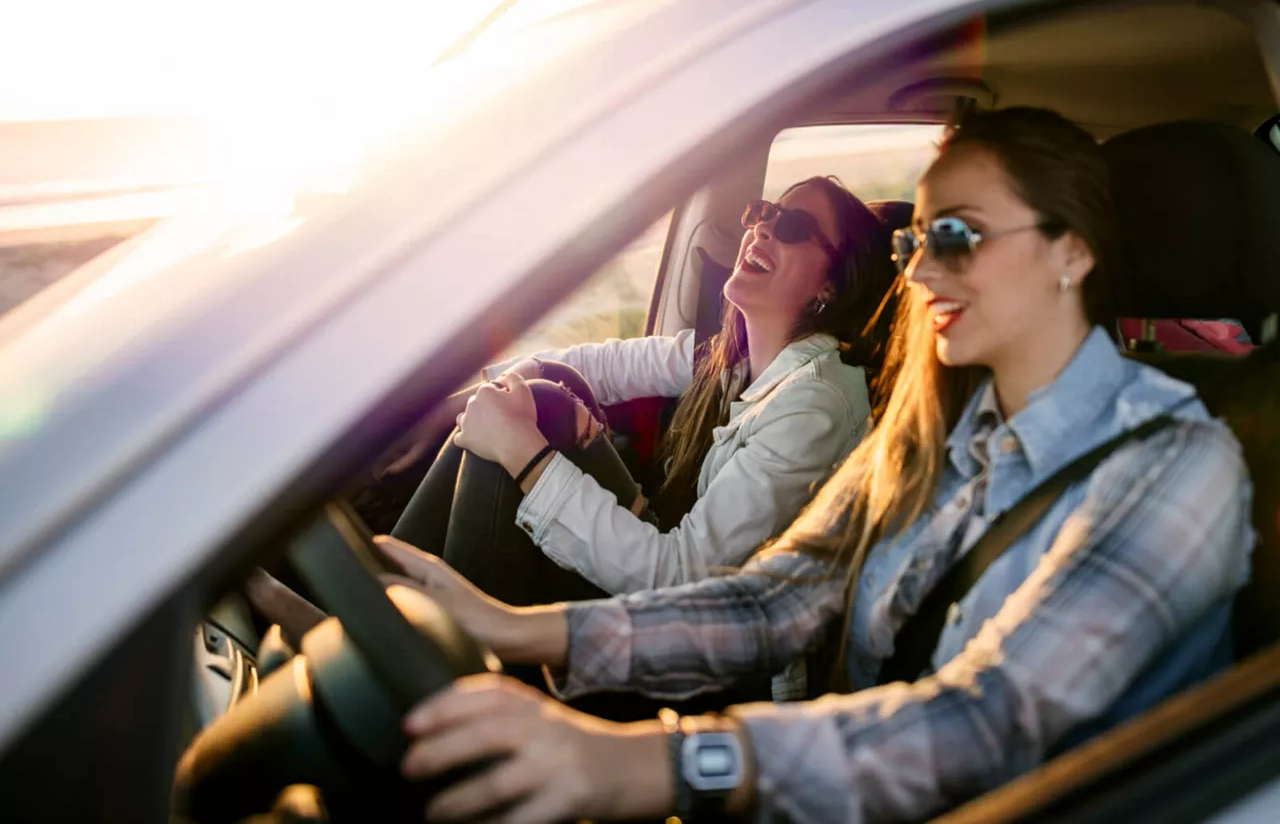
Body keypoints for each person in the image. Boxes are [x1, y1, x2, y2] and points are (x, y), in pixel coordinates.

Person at [375, 107, 1255, 824]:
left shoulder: (1180, 464)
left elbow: (987, 722)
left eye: (964, 235)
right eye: (918, 242)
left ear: (1072, 253)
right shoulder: (932, 437)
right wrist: (514, 629)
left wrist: (651, 762)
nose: (925, 272)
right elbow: (778, 600)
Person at [388, 176, 899, 608]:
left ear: (831, 285)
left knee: (534, 411)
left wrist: (524, 454)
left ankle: (383, 615)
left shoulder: (817, 405)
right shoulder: (733, 359)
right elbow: (598, 365)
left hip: (702, 654)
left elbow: (681, 579)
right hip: (663, 600)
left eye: (792, 227)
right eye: (764, 212)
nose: (763, 227)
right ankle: (383, 606)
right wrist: (450, 407)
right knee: (542, 391)